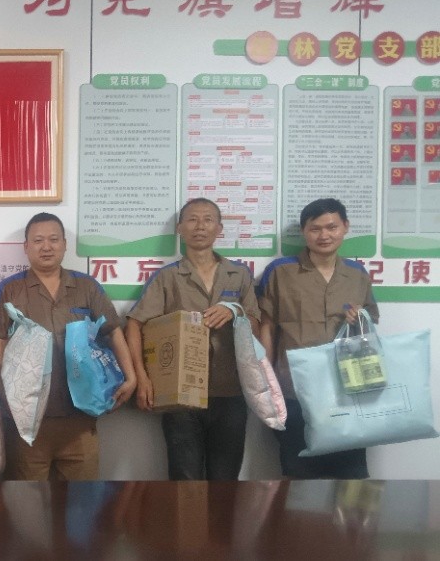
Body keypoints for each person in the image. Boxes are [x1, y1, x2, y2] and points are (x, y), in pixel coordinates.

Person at [0, 212, 136, 480]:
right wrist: (4, 398)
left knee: (82, 500)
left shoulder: (86, 287)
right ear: (26, 247)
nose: (46, 247)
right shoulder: (9, 290)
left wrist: (131, 377)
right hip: (28, 424)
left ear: (65, 245)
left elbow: (113, 332)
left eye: (54, 239)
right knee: (27, 500)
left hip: (80, 420)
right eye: (38, 240)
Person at [125, 198, 260, 480]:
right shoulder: (168, 278)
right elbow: (135, 324)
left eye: (208, 220)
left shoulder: (239, 275)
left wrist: (234, 310)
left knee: (225, 481)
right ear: (180, 228)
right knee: (184, 480)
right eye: (192, 219)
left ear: (219, 228)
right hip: (180, 397)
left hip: (231, 393)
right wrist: (142, 378)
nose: (200, 226)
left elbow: (256, 327)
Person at [257, 198, 378, 479]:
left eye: (331, 227)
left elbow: (371, 325)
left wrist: (360, 318)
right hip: (294, 390)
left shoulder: (357, 274)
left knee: (351, 476)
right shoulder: (280, 271)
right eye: (315, 229)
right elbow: (267, 326)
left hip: (346, 390)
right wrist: (266, 380)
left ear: (345, 227)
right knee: (299, 475)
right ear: (304, 232)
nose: (324, 235)